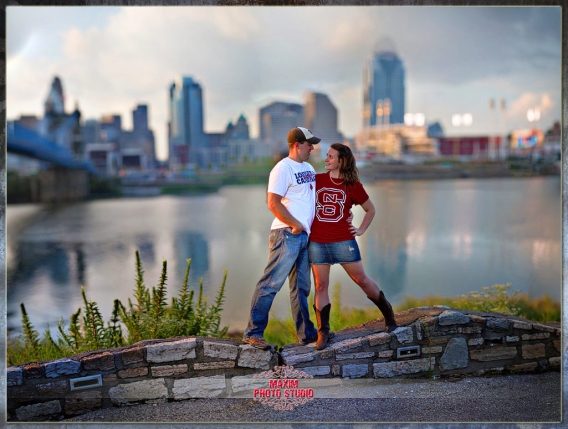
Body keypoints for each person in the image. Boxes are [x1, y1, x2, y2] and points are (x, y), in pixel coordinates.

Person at [309, 143, 398, 350]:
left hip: (343, 241)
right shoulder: (317, 180)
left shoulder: (353, 186)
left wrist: (360, 230)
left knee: (361, 280)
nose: (326, 160)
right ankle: (323, 332)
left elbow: (370, 210)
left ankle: (389, 316)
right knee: (321, 286)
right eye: (326, 156)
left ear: (342, 161)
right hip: (318, 242)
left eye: (331, 157)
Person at [243, 127, 323, 350]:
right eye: (309, 144)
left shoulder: (308, 167)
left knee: (301, 288)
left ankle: (306, 334)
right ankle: (253, 333)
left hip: (304, 235)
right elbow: (273, 203)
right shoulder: (282, 168)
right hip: (286, 234)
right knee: (270, 284)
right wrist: (295, 224)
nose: (312, 148)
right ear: (297, 144)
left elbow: (310, 199)